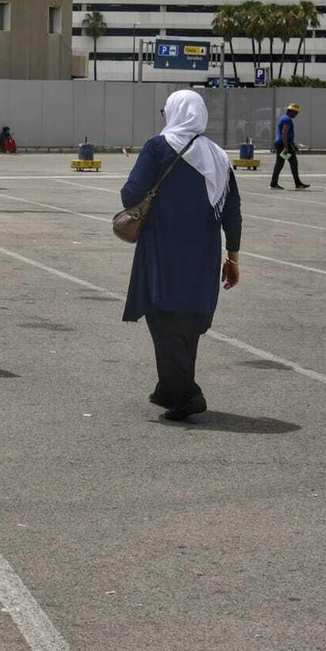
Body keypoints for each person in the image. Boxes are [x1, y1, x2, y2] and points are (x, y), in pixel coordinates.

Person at [121, 89, 243, 422]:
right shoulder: (218, 156)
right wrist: (232, 258)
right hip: (204, 252)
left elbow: (130, 194)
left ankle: (187, 393)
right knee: (187, 320)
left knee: (163, 317)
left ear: (174, 112)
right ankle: (168, 388)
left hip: (164, 248)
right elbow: (232, 211)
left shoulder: (158, 148)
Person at [270, 103, 309, 190]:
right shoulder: (287, 120)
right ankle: (297, 184)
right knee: (293, 163)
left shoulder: (285, 118)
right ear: (291, 111)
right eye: (295, 112)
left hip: (283, 144)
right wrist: (286, 148)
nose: (296, 114)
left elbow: (287, 135)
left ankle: (273, 183)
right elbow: (284, 133)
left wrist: (293, 145)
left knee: (280, 164)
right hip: (283, 145)